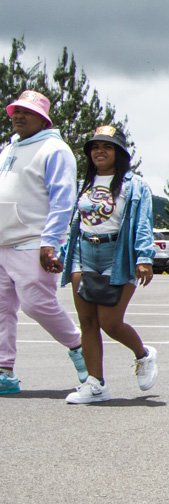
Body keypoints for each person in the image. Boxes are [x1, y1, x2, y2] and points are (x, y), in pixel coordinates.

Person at [60, 127, 158, 403]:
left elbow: (142, 224)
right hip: (84, 252)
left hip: (117, 254)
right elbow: (71, 221)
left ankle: (144, 354)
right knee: (87, 321)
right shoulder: (85, 183)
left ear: (119, 153)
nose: (99, 151)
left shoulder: (134, 185)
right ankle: (96, 384)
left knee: (110, 322)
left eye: (107, 146)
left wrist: (144, 258)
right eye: (95, 147)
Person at [0, 90, 88, 394]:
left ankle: (81, 347)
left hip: (32, 240)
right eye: (16, 112)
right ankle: (4, 371)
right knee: (1, 310)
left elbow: (63, 200)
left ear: (43, 119)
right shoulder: (8, 148)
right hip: (2, 242)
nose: (19, 117)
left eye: (27, 112)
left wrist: (51, 242)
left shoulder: (55, 149)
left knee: (37, 305)